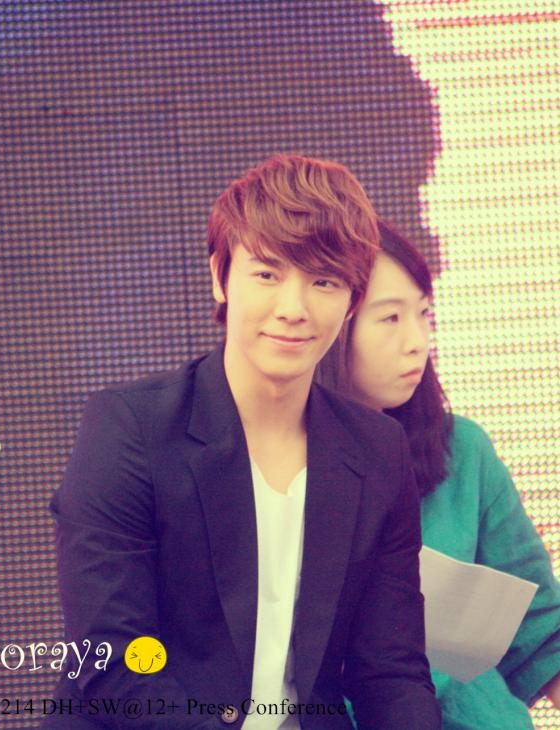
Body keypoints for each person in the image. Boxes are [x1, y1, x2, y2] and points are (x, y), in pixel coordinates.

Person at [45, 156, 441, 729]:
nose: (293, 309)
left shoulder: (378, 451)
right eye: (268, 274)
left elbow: (391, 670)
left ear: (352, 301)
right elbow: (114, 657)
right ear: (220, 275)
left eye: (323, 282)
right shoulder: (131, 427)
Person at [319, 220, 560, 729]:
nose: (417, 341)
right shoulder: (272, 467)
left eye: (424, 313)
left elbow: (542, 632)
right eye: (390, 318)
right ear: (330, 330)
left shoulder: (461, 450)